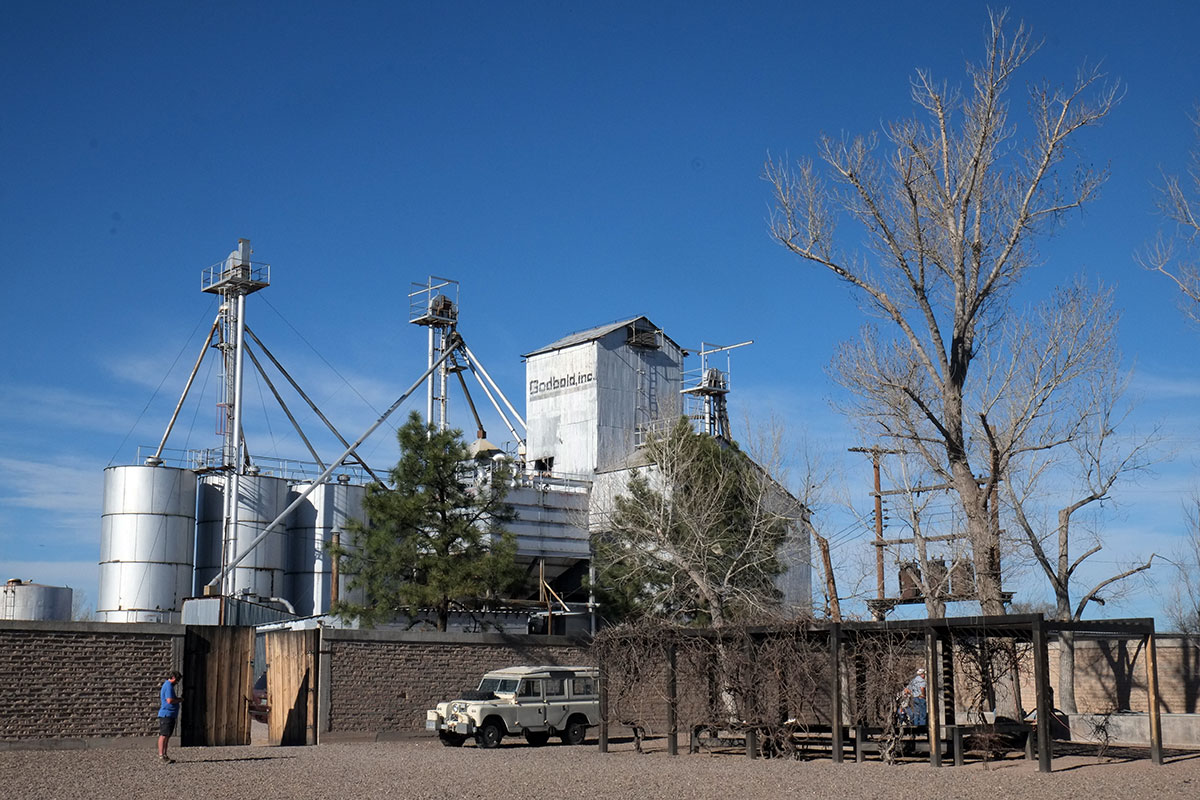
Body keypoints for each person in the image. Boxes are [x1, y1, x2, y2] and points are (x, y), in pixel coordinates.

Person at [157, 670, 183, 763]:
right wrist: (180, 700)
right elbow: (169, 700)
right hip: (166, 714)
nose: (177, 682)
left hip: (170, 714)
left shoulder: (169, 686)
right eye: (177, 680)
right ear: (173, 678)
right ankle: (161, 755)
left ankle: (164, 754)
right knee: (164, 735)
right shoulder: (168, 686)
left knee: (167, 735)